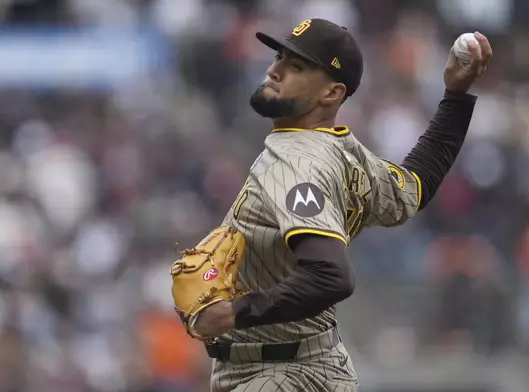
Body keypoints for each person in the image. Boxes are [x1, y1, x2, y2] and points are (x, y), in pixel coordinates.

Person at [181, 18, 491, 392]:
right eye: (279, 57)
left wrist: (233, 313)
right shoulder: (342, 153)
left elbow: (331, 275)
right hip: (300, 365)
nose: (273, 70)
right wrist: (455, 97)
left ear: (331, 94)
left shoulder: (297, 162)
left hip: (282, 373)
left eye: (295, 66)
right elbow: (417, 185)